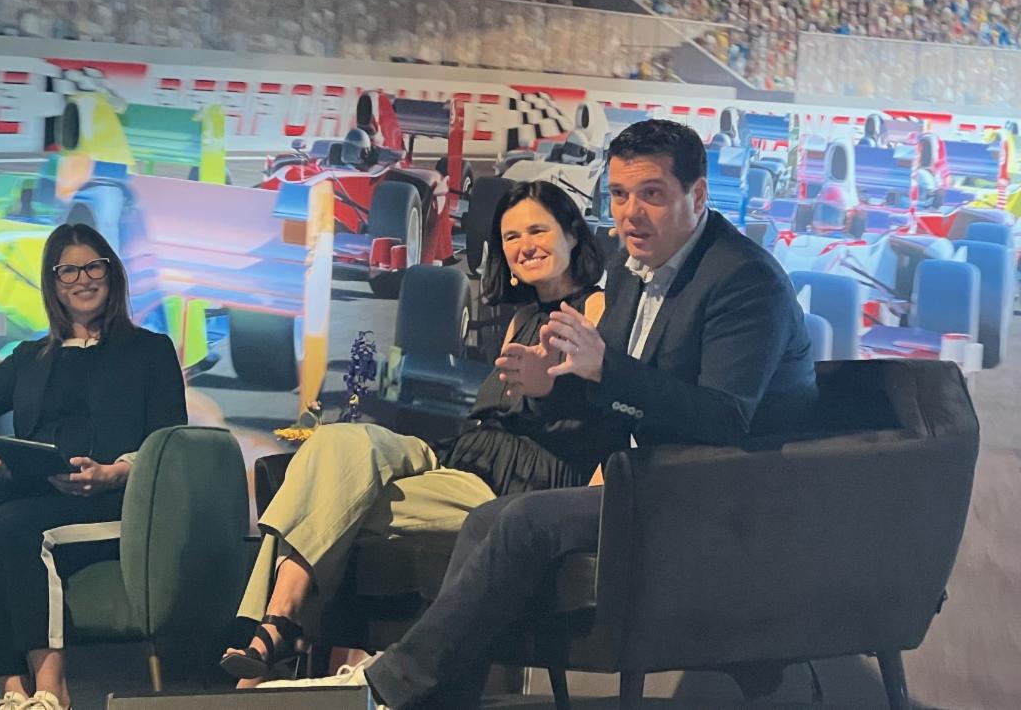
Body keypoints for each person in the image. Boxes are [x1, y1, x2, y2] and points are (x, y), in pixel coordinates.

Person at [263, 119, 820, 708]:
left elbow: (725, 419)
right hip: (649, 477)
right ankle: (432, 696)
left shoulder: (743, 280)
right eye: (620, 195)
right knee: (493, 519)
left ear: (698, 195)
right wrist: (559, 392)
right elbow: (618, 395)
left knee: (523, 520)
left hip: (727, 493)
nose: (630, 214)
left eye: (652, 194)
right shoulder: (636, 272)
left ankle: (387, 688)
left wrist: (606, 374)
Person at [221, 181, 617, 684]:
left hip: (517, 486)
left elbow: (604, 414)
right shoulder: (520, 318)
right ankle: (282, 624)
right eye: (511, 236)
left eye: (538, 230)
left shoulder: (599, 310)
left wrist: (550, 388)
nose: (525, 245)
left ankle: (273, 638)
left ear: (573, 236)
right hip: (461, 457)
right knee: (336, 442)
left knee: (329, 503)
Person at [0, 224, 187, 710]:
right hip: (36, 491)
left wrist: (114, 472)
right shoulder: (30, 357)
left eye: (93, 267)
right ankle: (13, 690)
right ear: (53, 283)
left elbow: (169, 440)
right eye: (68, 271)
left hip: (114, 500)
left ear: (111, 274)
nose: (82, 279)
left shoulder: (150, 351)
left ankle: (53, 692)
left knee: (18, 525)